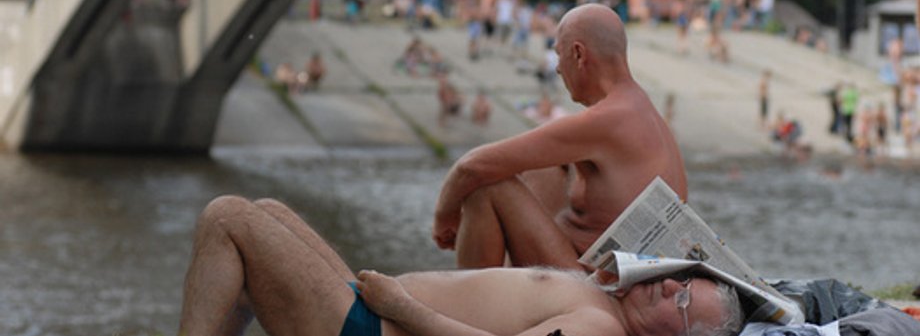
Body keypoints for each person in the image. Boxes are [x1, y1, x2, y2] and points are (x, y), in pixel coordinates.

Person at [178, 196, 744, 336]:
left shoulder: (602, 331)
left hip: (375, 328)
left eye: (682, 301)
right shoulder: (609, 305)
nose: (668, 286)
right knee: (269, 213)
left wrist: (404, 308)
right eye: (682, 280)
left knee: (229, 218)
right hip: (371, 313)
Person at [432, 4, 688, 269]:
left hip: (596, 283)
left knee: (485, 185)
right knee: (546, 167)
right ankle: (502, 280)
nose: (557, 68)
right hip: (596, 264)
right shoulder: (641, 109)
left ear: (578, 54)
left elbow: (470, 167)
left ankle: (474, 293)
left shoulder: (609, 119)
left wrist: (444, 217)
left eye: (558, 54)